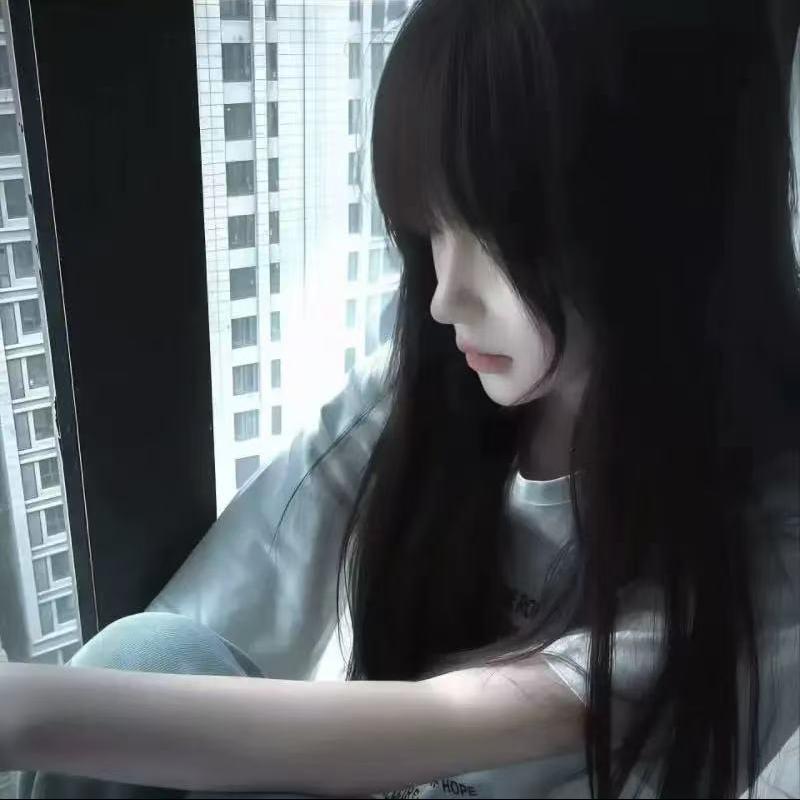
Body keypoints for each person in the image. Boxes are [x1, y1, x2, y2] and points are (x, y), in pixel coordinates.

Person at [4, 0, 800, 797]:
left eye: (499, 234)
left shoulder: (769, 535)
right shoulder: (430, 393)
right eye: (431, 229)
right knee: (148, 655)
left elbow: (468, 716)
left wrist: (30, 709)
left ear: (667, 219)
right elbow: (212, 617)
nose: (445, 298)